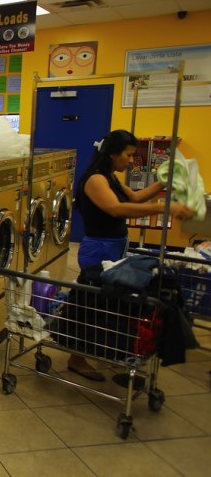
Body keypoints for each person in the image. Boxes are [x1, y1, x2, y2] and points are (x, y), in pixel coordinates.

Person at [69, 129, 194, 381]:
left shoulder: (110, 177)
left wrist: (162, 183)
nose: (131, 160)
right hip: (99, 248)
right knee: (91, 303)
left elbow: (135, 197)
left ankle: (100, 349)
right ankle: (76, 357)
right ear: (112, 154)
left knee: (109, 303)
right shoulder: (95, 180)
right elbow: (115, 209)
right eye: (128, 155)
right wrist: (166, 208)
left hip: (113, 246)